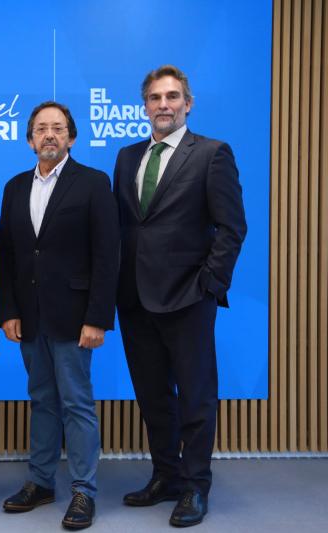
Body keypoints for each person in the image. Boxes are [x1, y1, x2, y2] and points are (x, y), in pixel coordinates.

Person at [113, 65, 246, 527]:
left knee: (195, 397)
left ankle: (195, 486)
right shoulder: (127, 158)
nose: (163, 105)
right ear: (145, 106)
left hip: (189, 298)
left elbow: (232, 228)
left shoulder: (212, 154)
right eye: (155, 97)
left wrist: (209, 284)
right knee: (153, 398)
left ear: (188, 103)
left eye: (172, 96)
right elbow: (125, 228)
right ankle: (166, 475)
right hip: (134, 300)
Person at [0, 102, 119, 530]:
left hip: (74, 317)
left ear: (71, 137)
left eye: (58, 128)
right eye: (41, 129)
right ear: (30, 139)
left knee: (77, 404)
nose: (49, 135)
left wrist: (98, 317)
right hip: (28, 319)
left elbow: (107, 255)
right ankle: (41, 481)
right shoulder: (13, 187)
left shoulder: (93, 183)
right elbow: (7, 257)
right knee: (42, 401)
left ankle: (84, 490)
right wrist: (8, 311)